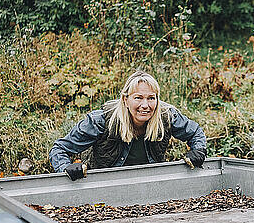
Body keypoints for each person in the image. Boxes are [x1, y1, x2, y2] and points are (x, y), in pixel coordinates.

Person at [49, 70, 207, 180]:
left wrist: (198, 150)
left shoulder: (166, 116)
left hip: (152, 184)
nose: (145, 105)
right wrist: (66, 167)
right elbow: (59, 149)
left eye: (151, 98)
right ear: (125, 99)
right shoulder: (101, 120)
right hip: (105, 186)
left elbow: (195, 133)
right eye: (138, 98)